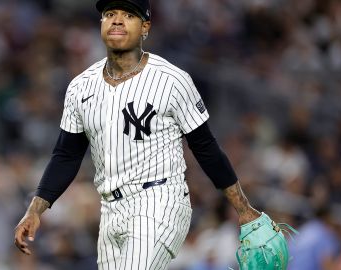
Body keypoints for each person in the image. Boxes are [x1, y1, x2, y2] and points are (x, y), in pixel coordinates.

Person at [14, 0, 261, 269]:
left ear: (145, 27)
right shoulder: (80, 87)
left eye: (128, 15)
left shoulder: (171, 80)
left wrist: (243, 208)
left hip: (159, 200)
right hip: (109, 210)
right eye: (110, 14)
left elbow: (205, 147)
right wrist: (35, 209)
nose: (117, 20)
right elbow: (66, 154)